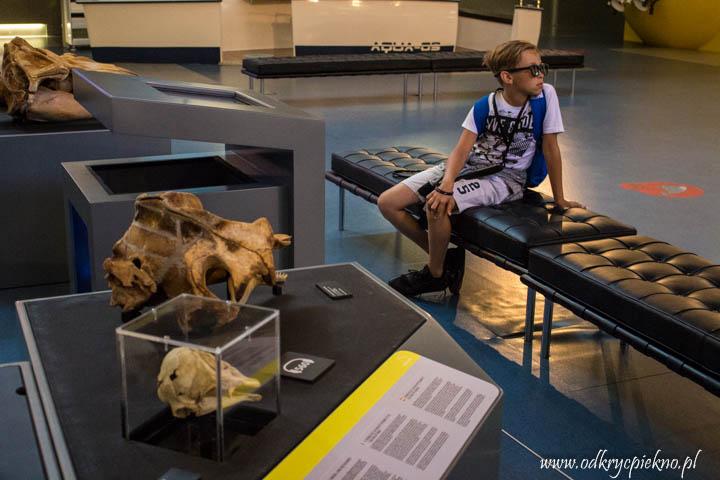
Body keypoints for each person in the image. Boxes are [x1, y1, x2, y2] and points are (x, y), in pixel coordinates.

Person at [377, 40, 583, 297]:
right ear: (507, 76)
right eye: (532, 70)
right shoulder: (485, 105)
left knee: (436, 206)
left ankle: (435, 274)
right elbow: (461, 150)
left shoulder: (545, 97)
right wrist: (447, 182)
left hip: (506, 179)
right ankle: (445, 259)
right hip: (472, 167)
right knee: (388, 202)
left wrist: (561, 198)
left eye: (542, 68)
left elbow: (551, 148)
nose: (540, 75)